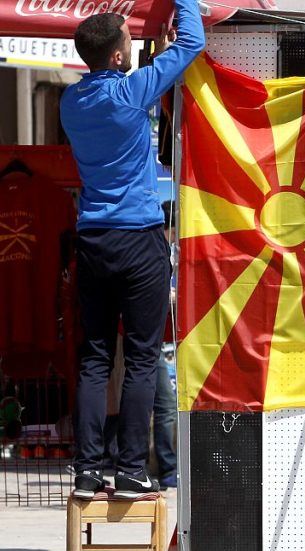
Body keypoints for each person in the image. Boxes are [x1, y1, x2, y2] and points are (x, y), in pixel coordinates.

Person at [61, 0, 204, 499]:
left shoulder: (70, 102)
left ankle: (85, 471)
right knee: (143, 358)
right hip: (139, 237)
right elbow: (193, 43)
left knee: (95, 359)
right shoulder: (131, 92)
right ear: (121, 57)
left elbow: (121, 73)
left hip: (93, 238)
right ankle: (129, 473)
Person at [152, 201, 179, 489]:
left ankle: (174, 465)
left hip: (182, 337)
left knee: (173, 406)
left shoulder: (187, 252)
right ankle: (167, 466)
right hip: (158, 339)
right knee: (166, 406)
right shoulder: (157, 250)